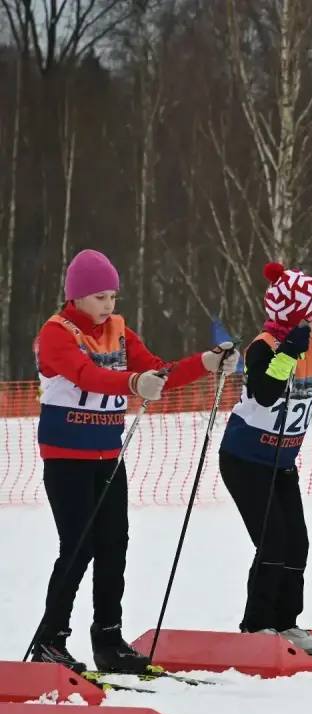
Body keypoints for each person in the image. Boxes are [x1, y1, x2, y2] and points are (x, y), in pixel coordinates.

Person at [31, 249, 238, 673]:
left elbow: (157, 372)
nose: (109, 306)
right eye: (100, 297)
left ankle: (108, 637)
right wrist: (131, 383)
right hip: (67, 455)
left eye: (113, 298)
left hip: (108, 452)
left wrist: (206, 362)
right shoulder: (56, 333)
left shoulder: (120, 331)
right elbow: (85, 375)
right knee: (78, 545)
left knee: (114, 544)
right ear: (77, 297)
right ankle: (50, 640)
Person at [219, 262, 312, 655]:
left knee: (297, 543)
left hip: (281, 461)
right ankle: (257, 626)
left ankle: (286, 623)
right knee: (273, 540)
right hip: (245, 459)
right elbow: (264, 391)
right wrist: (288, 352)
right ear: (295, 315)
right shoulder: (263, 345)